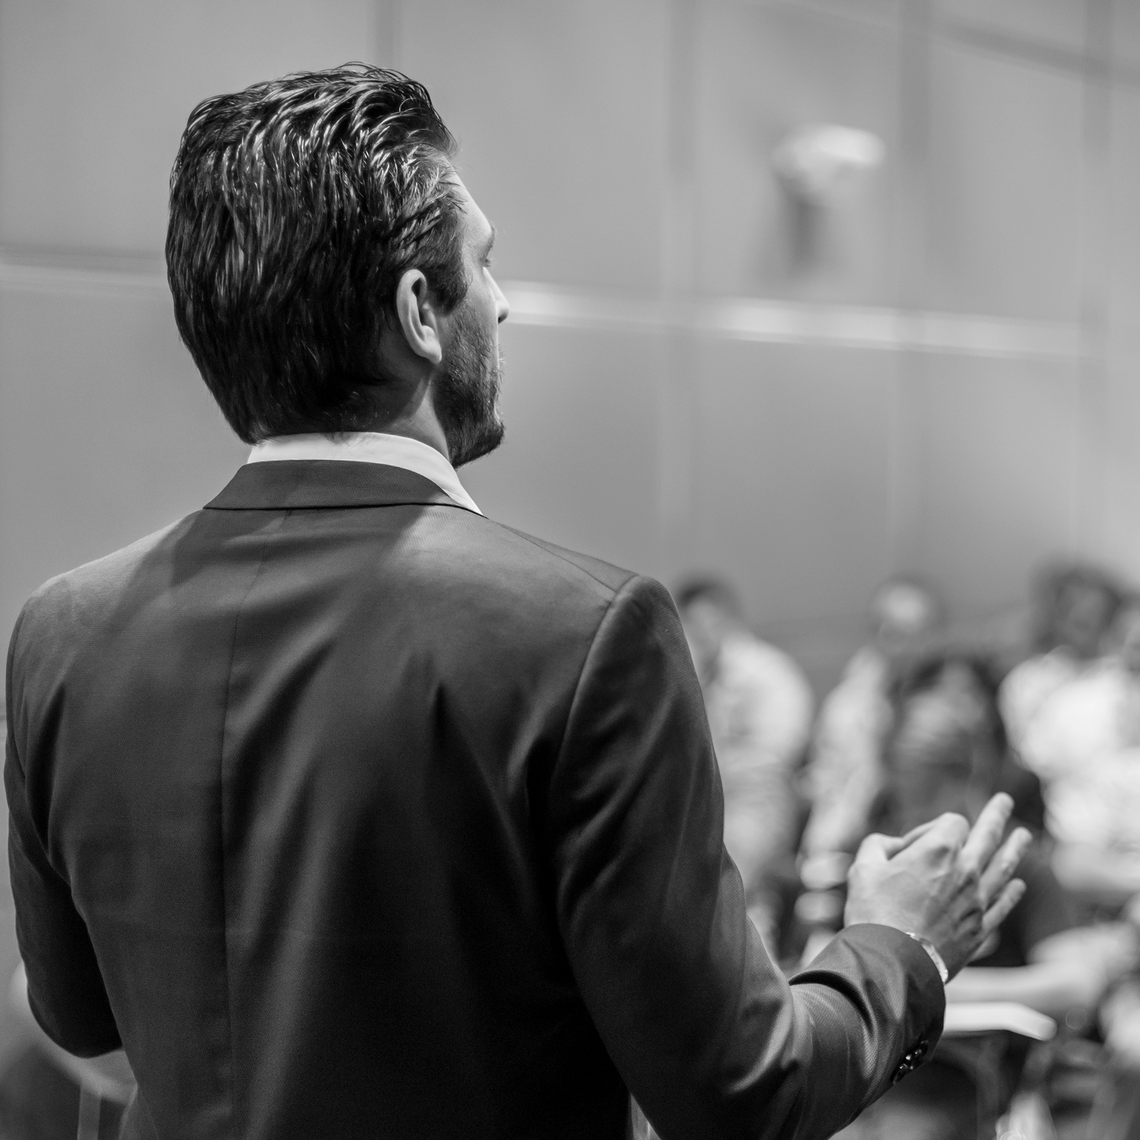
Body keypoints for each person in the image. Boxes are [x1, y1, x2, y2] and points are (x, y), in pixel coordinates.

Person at [5, 65, 1028, 1140]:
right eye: (483, 263)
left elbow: (76, 1014)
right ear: (420, 312)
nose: (501, 300)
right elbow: (742, 1093)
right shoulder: (582, 635)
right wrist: (897, 950)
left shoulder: (62, 631)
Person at [842, 653, 1125, 1140]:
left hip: (975, 1075)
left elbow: (1078, 983)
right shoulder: (876, 855)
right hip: (876, 1073)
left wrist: (932, 985)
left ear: (964, 779)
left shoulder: (1017, 859)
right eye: (902, 797)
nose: (910, 817)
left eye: (925, 798)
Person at [674, 578, 813, 949]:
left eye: (709, 619)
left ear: (728, 616)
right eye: (690, 621)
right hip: (712, 801)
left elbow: (780, 753)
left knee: (738, 900)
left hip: (758, 800)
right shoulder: (695, 673)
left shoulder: (768, 671)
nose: (701, 630)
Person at [800, 576, 943, 875]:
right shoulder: (849, 704)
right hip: (856, 841)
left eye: (917, 633)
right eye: (893, 632)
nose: (906, 646)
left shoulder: (952, 692)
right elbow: (833, 787)